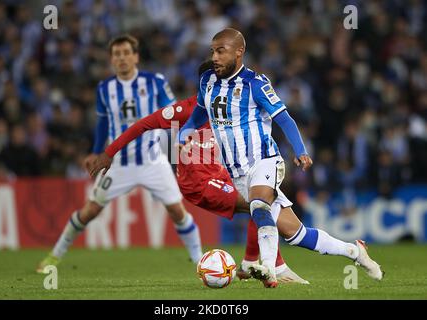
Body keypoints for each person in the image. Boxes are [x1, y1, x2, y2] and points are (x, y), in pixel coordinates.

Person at [88, 61, 383, 288]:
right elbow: (142, 125)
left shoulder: (236, 108)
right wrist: (109, 153)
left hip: (232, 176)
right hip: (199, 184)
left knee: (295, 232)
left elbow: (275, 117)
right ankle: (264, 264)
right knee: (259, 206)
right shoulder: (186, 110)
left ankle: (353, 251)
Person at [177, 29, 383, 287]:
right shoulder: (207, 79)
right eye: (213, 51)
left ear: (239, 52)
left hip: (265, 160)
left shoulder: (255, 83)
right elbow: (199, 111)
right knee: (296, 234)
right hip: (238, 172)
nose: (215, 57)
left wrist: (301, 150)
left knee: (258, 207)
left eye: (221, 51)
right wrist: (187, 129)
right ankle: (355, 252)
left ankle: (268, 269)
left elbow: (283, 118)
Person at [36, 34, 202, 273]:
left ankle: (199, 262)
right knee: (90, 211)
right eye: (117, 54)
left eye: (126, 53)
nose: (122, 58)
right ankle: (55, 255)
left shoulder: (155, 81)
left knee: (177, 210)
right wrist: (95, 152)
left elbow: (173, 112)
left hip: (152, 161)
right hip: (118, 164)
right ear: (111, 60)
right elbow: (103, 123)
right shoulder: (105, 88)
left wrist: (184, 138)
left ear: (136, 57)